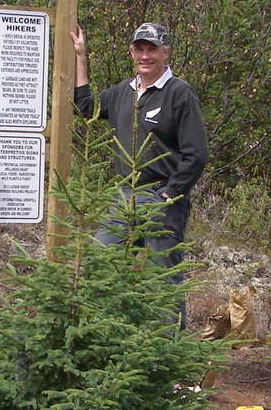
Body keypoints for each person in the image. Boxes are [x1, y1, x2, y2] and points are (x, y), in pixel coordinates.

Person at [70, 22, 208, 327]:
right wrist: (81, 56)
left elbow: (196, 153)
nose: (145, 55)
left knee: (163, 278)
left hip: (162, 199)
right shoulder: (123, 92)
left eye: (152, 49)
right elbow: (86, 106)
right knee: (99, 263)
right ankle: (107, 340)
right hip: (124, 195)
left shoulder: (179, 93)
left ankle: (170, 360)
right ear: (132, 52)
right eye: (140, 49)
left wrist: (171, 193)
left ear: (166, 52)